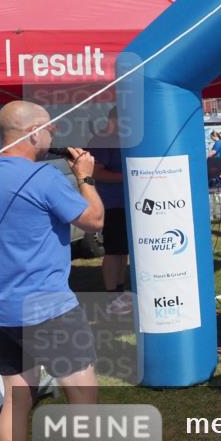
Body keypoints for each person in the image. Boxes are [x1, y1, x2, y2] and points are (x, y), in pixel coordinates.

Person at [0, 102, 130, 441]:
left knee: (16, 399)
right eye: (49, 127)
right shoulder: (43, 177)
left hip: (1, 311)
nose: (54, 133)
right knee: (82, 400)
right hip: (49, 308)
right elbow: (94, 219)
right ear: (32, 133)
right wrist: (85, 177)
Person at [86, 107, 132, 315]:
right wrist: (127, 178)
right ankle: (112, 296)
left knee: (122, 251)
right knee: (114, 251)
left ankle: (120, 293)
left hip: (125, 203)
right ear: (114, 120)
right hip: (111, 204)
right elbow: (95, 171)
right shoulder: (102, 141)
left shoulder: (119, 139)